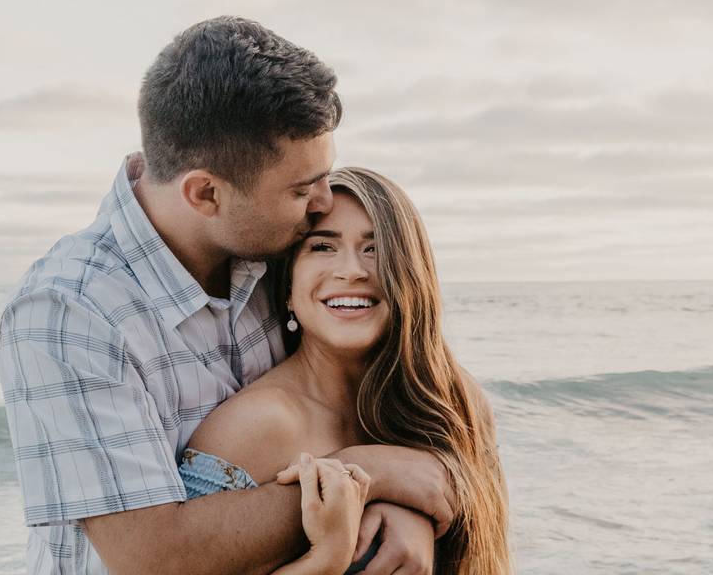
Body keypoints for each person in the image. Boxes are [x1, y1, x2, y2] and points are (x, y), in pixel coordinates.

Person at [0, 16, 456, 575]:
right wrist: (365, 475)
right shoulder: (70, 313)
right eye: (299, 188)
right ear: (206, 193)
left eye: (324, 174)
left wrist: (407, 506)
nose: (322, 201)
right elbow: (156, 560)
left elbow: (393, 377)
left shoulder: (269, 246)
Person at [179, 167, 511, 574]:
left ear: (412, 274)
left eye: (375, 249)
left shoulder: (457, 402)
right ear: (288, 285)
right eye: (323, 247)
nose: (352, 270)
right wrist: (328, 557)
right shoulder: (258, 425)